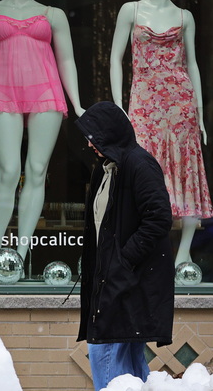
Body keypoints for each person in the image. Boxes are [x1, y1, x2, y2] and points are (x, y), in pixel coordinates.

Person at [0, 0, 84, 261]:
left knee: (37, 170)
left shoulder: (53, 15)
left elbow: (67, 60)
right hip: (1, 92)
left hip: (46, 90)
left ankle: (19, 254)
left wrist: (78, 104)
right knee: (8, 171)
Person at [110, 0, 213, 267]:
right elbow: (115, 59)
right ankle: (149, 245)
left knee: (185, 169)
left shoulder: (185, 17)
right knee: (144, 169)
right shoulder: (130, 10)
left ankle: (183, 254)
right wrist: (119, 106)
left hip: (181, 103)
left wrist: (200, 114)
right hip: (143, 102)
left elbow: (192, 64)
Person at [74, 101, 174, 391]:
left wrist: (124, 259)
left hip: (128, 280)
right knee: (126, 359)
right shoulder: (105, 170)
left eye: (94, 138)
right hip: (112, 278)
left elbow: (158, 218)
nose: (90, 145)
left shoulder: (138, 164)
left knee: (105, 350)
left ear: (110, 135)